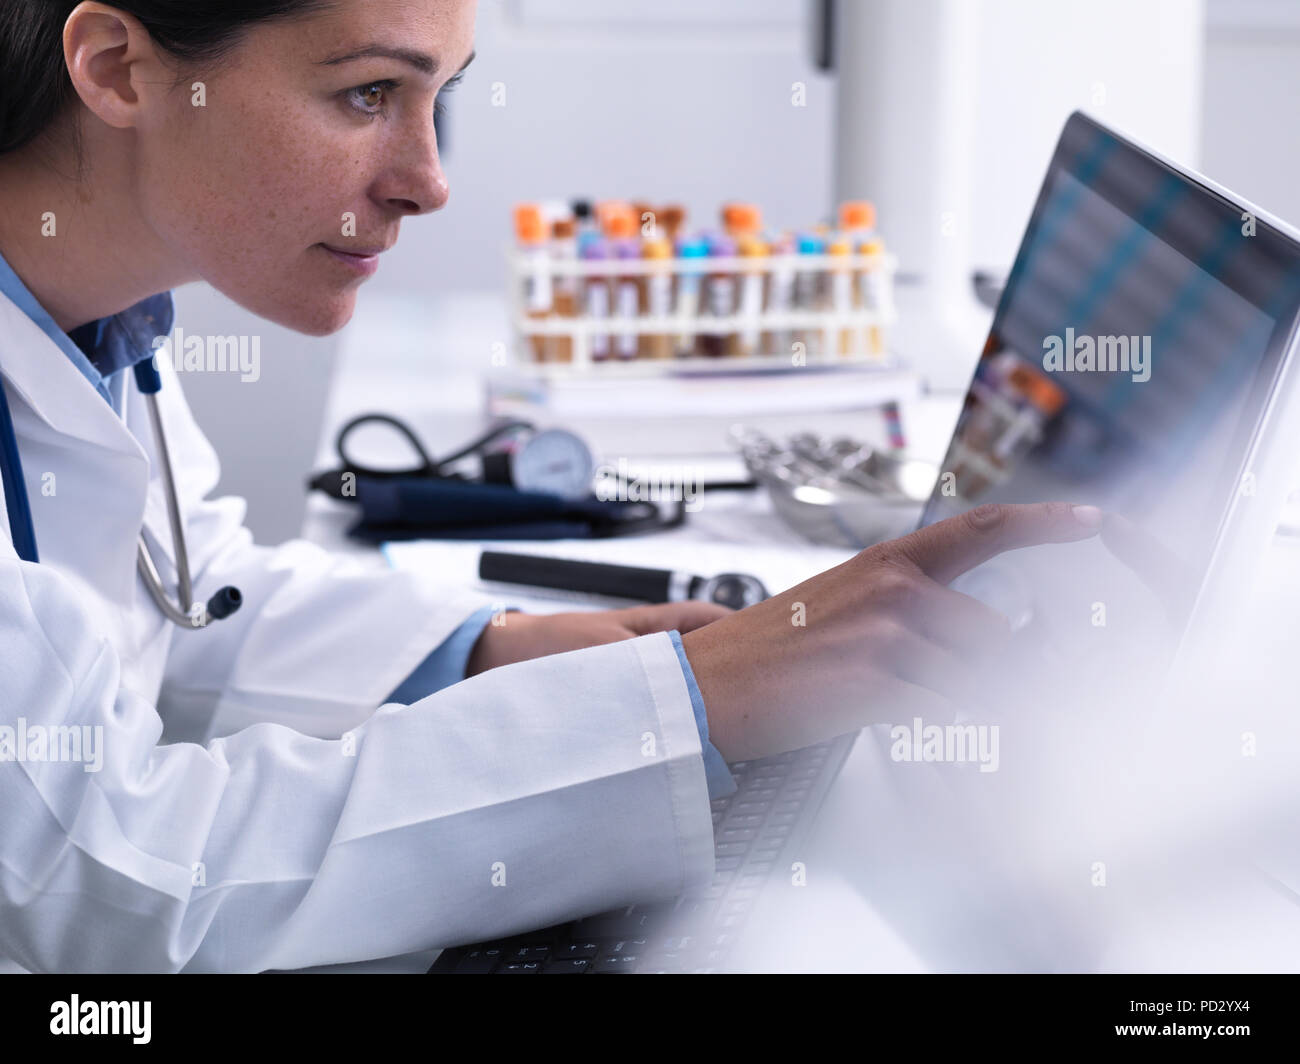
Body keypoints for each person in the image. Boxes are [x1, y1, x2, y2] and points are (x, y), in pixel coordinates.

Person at [0, 0, 1101, 973]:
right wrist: (678, 706)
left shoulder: (102, 320)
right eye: (367, 92)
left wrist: (499, 647)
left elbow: (196, 597)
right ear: (117, 67)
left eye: (438, 98)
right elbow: (119, 888)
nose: (428, 180)